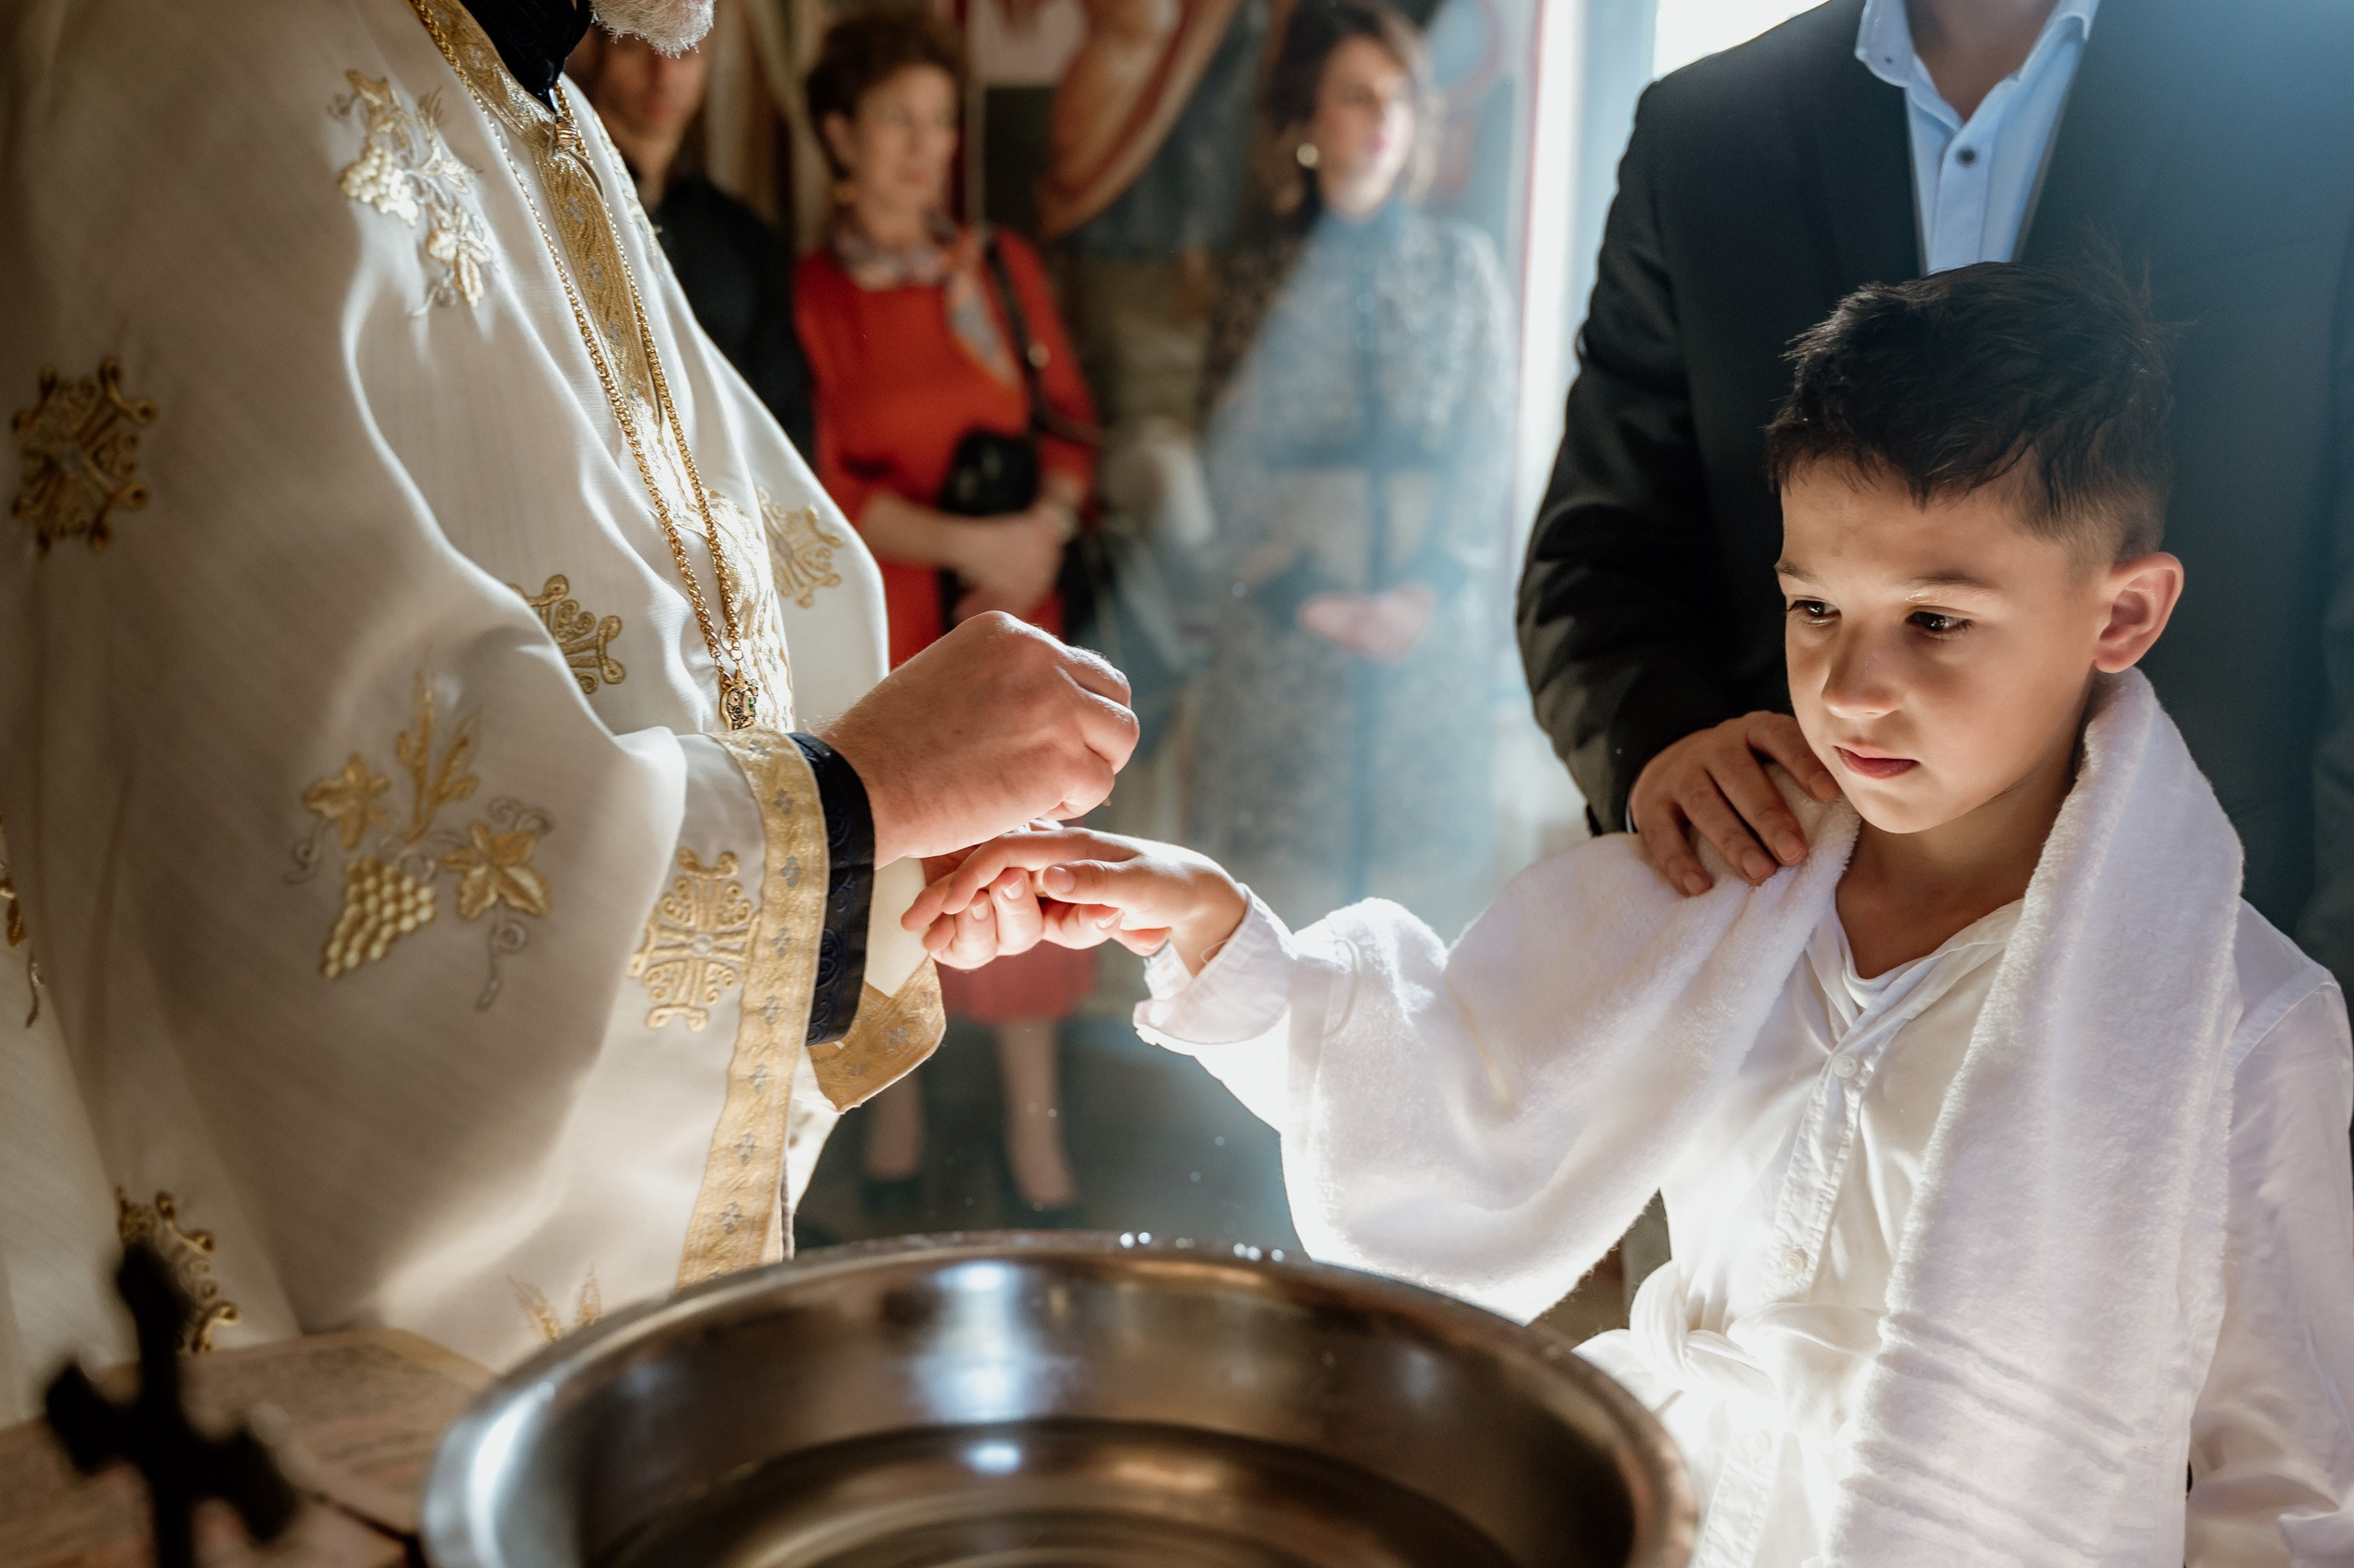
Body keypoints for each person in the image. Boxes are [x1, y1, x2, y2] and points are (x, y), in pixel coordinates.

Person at [914, 266, 2354, 1562]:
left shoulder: (2246, 1024)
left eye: (1936, 619)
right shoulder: (1735, 878)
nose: (1850, 687)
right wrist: (1206, 921)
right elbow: (1449, 1085)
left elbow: (2284, 1490)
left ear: (2121, 614)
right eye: (1813, 608)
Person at [0, 0, 1134, 1422]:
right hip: (294, 1425)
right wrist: (856, 801)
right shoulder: (193, 53)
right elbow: (318, 865)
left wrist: (892, 854)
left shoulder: (528, 94)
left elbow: (715, 596)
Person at [1516, 0, 2354, 992]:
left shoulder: (2317, 78)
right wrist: (1653, 745)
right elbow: (1601, 546)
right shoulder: (1702, 131)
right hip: (1786, 956)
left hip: (2218, 947)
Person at [793, 10, 1104, 1218]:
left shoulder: (998, 270)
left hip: (1018, 607)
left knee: (1032, 863)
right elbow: (820, 477)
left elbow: (1070, 420)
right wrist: (967, 542)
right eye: (897, 121)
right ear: (840, 135)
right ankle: (893, 1130)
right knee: (905, 872)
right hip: (890, 617)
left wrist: (1037, 537)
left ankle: (1036, 1145)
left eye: (938, 121)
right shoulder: (816, 296)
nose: (925, 147)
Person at [1185, 0, 1516, 939]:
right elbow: (1229, 458)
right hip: (1287, 637)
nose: (1379, 117)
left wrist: (1421, 593)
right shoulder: (1257, 277)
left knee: (1422, 924)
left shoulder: (1461, 269)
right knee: (1279, 921)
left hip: (1427, 638)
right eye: (1354, 95)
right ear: (1309, 119)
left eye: (1398, 97)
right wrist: (1304, 595)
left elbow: (1486, 451)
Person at [570, 26, 817, 457]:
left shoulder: (744, 235)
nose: (662, 73)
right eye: (634, 45)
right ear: (594, 50)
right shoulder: (553, 203)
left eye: (684, 50)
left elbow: (786, 418)